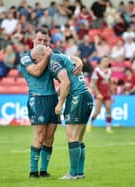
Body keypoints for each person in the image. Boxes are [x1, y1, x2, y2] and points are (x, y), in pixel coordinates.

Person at [19, 27, 83, 178]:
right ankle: (33, 171)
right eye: (40, 40)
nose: (42, 43)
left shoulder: (52, 55)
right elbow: (36, 71)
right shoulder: (26, 57)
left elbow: (69, 59)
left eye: (45, 41)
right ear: (33, 40)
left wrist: (79, 61)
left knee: (50, 137)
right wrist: (47, 57)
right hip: (37, 99)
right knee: (40, 135)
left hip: (52, 98)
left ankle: (44, 170)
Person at [31, 45, 94, 180]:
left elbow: (66, 83)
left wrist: (60, 103)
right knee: (79, 138)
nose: (35, 63)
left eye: (35, 60)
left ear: (42, 56)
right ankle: (79, 172)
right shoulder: (60, 56)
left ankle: (72, 173)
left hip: (77, 97)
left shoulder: (53, 61)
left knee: (72, 136)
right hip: (86, 95)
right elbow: (67, 78)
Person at [87, 56, 114, 133]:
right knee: (97, 111)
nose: (105, 62)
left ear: (109, 62)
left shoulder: (109, 71)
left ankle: (108, 128)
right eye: (104, 60)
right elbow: (93, 84)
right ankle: (90, 124)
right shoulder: (97, 71)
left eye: (107, 60)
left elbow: (110, 83)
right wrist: (98, 93)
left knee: (108, 108)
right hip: (99, 93)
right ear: (102, 62)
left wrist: (113, 93)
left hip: (107, 93)